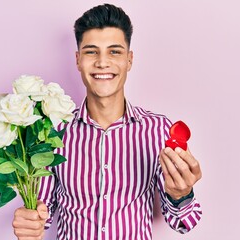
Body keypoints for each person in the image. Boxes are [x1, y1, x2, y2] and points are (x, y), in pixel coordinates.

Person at [12, 3, 202, 240]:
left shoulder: (157, 130)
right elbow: (43, 213)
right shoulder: (53, 131)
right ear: (78, 60)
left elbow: (184, 222)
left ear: (129, 60)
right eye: (91, 51)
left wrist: (182, 193)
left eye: (114, 51)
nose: (103, 62)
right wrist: (31, 221)